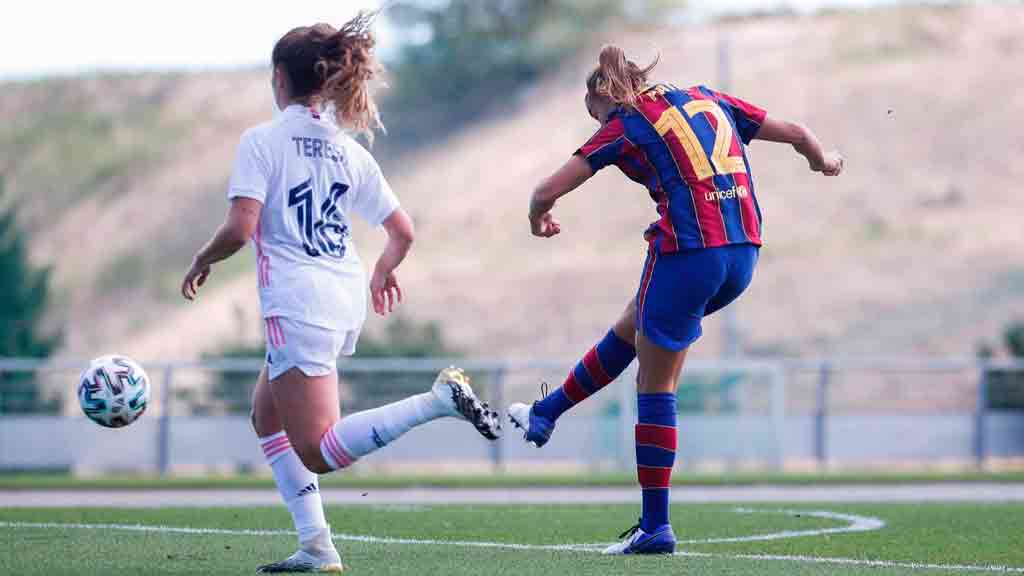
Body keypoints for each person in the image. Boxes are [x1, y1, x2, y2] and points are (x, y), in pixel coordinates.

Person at [181, 13, 501, 573]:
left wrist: (203, 257)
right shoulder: (348, 150)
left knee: (319, 450)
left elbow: (240, 228)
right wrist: (382, 270)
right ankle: (315, 545)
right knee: (267, 416)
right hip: (343, 293)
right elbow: (403, 231)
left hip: (298, 302)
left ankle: (436, 401)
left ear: (280, 78)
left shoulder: (262, 141)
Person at [509, 45, 843, 555]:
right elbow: (799, 135)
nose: (598, 123)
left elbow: (546, 189)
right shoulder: (705, 97)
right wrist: (825, 159)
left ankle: (655, 527)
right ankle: (546, 412)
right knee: (634, 324)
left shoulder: (624, 121)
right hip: (743, 255)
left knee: (655, 379)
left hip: (690, 252)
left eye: (594, 114)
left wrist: (538, 218)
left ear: (604, 98)